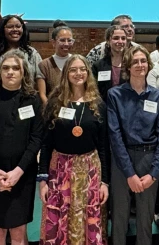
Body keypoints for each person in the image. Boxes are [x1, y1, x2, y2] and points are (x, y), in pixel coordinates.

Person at [0, 51, 45, 245]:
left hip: (22, 175)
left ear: (24, 72)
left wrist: (18, 172)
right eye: (6, 68)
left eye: (15, 68)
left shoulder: (33, 100)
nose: (10, 72)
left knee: (18, 232)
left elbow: (36, 139)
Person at [38, 56, 111, 245]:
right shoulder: (55, 103)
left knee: (88, 219)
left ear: (88, 73)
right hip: (60, 170)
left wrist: (105, 182)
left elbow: (103, 146)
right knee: (59, 220)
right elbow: (46, 144)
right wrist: (43, 179)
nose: (78, 73)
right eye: (73, 70)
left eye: (82, 69)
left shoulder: (98, 105)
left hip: (89, 171)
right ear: (66, 74)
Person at [106, 46, 159, 245]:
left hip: (148, 159)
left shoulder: (157, 96)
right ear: (127, 66)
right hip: (122, 160)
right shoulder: (115, 95)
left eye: (143, 61)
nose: (140, 65)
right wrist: (129, 173)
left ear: (148, 65)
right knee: (119, 218)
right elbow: (115, 135)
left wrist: (154, 173)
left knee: (145, 220)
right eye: (135, 62)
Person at [0, 14, 47, 103]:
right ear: (2, 29)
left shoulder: (32, 53)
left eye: (18, 26)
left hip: (24, 103)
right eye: (10, 27)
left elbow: (40, 78)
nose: (15, 29)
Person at [94, 25, 131, 101]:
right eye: (116, 38)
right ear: (108, 41)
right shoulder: (98, 66)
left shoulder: (131, 64)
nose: (120, 41)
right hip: (104, 105)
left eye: (123, 38)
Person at [39, 20, 75, 96]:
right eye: (62, 40)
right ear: (53, 42)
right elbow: (42, 95)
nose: (66, 44)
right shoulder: (44, 65)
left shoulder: (78, 62)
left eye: (69, 40)